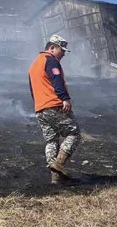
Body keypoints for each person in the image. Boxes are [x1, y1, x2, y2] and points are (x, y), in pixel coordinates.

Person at [28, 34, 82, 185]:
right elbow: (57, 80)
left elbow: (32, 90)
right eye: (61, 50)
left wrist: (39, 105)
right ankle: (59, 164)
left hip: (40, 108)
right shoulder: (51, 60)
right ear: (52, 47)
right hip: (54, 105)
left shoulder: (34, 65)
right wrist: (65, 98)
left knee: (51, 140)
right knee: (74, 134)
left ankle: (56, 179)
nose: (63, 53)